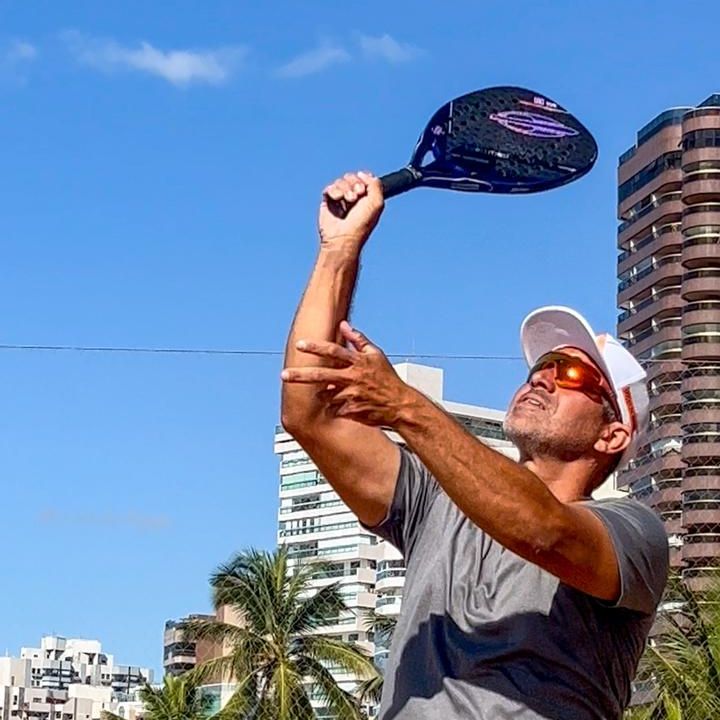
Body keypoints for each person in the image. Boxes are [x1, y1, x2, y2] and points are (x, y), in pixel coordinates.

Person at [280, 171, 669, 720]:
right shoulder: (435, 504)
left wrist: (406, 406)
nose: (542, 378)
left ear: (613, 434)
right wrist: (339, 249)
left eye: (572, 374)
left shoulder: (635, 534)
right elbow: (308, 412)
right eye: (540, 366)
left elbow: (544, 530)